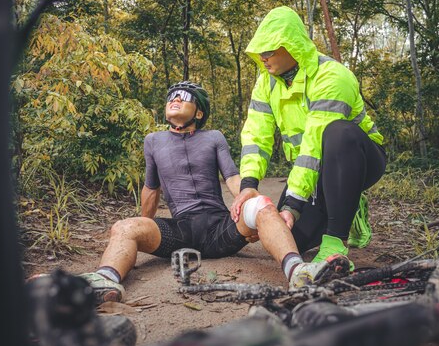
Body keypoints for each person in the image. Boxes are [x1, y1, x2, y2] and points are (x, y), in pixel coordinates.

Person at [81, 80, 350, 303]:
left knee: (262, 205)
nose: (175, 99)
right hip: (181, 231)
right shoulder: (153, 141)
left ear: (199, 113)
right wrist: (143, 225)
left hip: (221, 228)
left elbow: (233, 178)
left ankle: (298, 272)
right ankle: (105, 279)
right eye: (171, 97)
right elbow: (151, 189)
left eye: (184, 97)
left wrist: (251, 207)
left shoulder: (214, 137)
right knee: (126, 227)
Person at [231, 6, 387, 285]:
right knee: (293, 241)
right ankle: (345, 209)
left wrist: (292, 204)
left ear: (292, 47)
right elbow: (256, 134)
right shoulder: (265, 84)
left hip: (359, 158)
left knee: (337, 133)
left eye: (270, 50)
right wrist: (249, 184)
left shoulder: (332, 76)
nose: (263, 57)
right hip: (315, 171)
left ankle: (336, 241)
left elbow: (315, 142)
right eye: (260, 51)